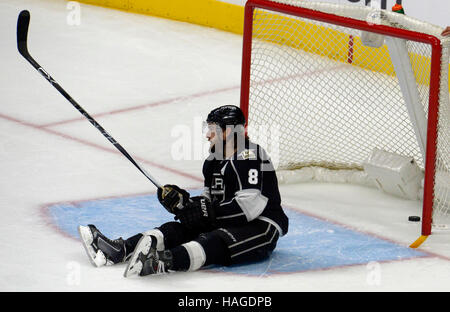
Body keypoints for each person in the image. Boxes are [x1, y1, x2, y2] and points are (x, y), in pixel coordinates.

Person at [78, 105, 289, 277]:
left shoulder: (250, 157)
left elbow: (248, 208)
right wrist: (183, 204)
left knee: (214, 240)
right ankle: (120, 249)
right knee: (175, 229)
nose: (208, 135)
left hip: (261, 226)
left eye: (213, 129)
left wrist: (206, 212)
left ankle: (159, 262)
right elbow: (209, 202)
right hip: (229, 220)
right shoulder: (212, 162)